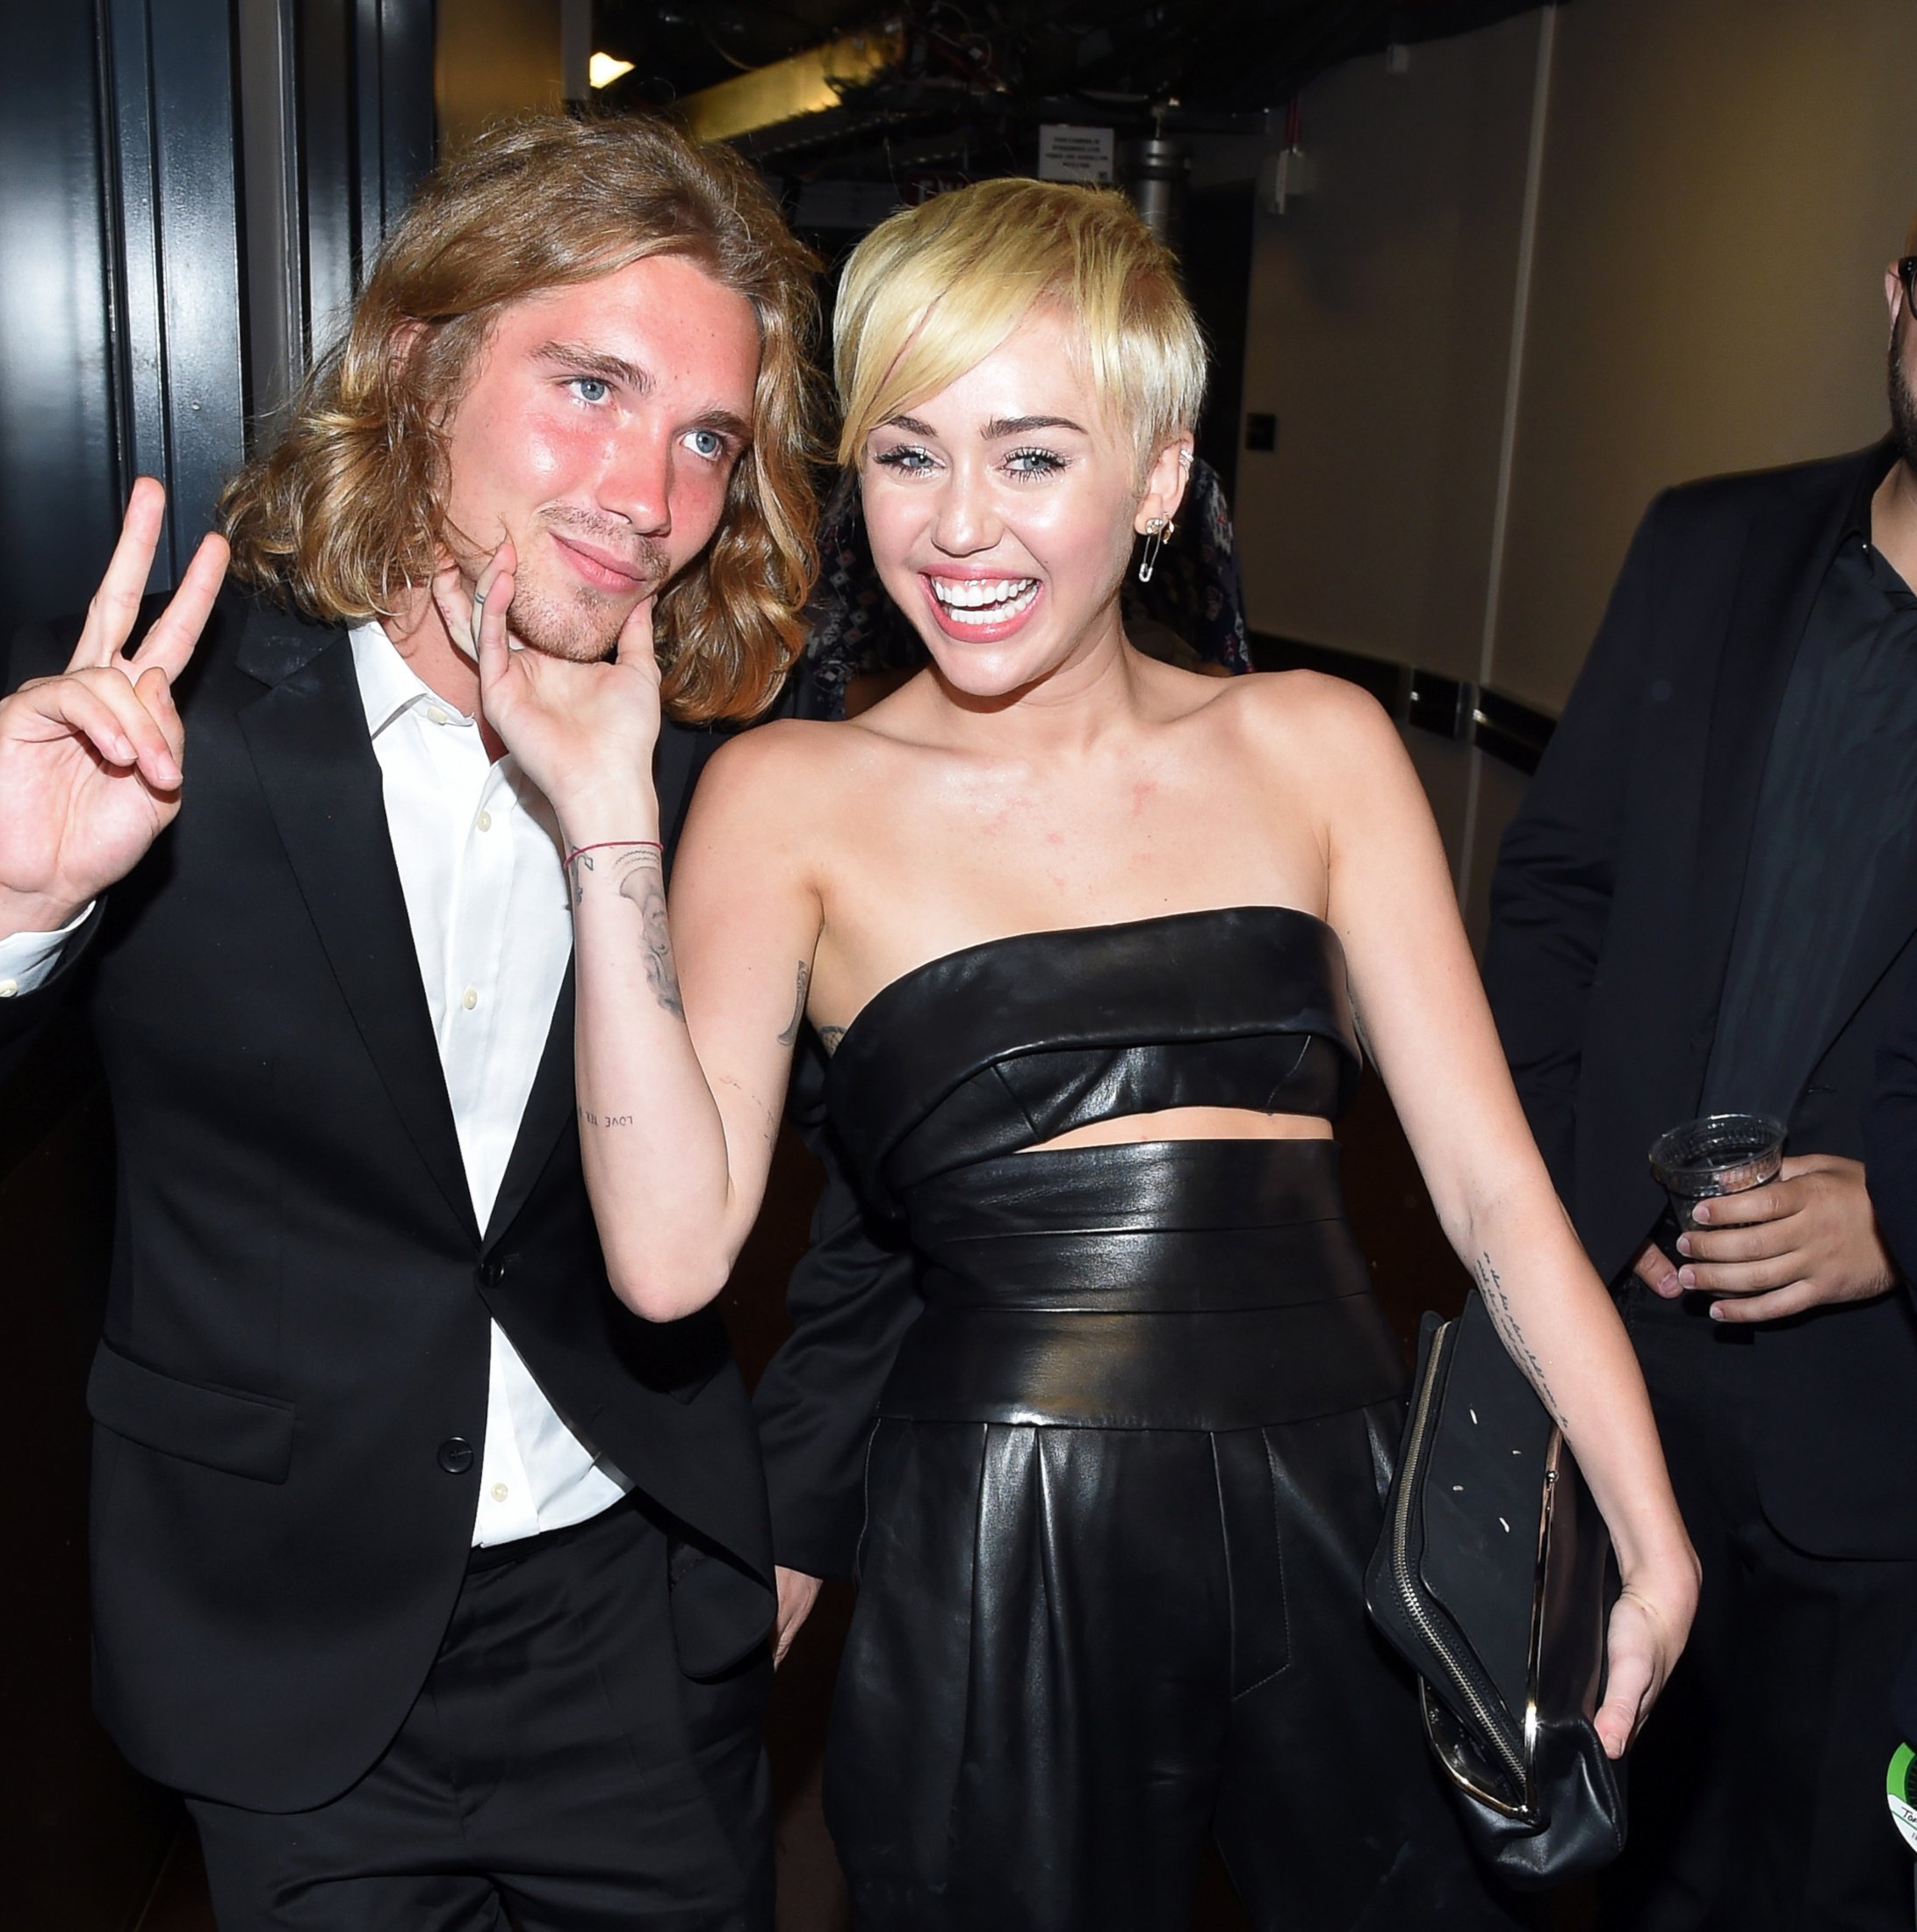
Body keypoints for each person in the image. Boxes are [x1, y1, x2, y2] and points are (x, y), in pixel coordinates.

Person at [459, 177, 1699, 1931]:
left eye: (1032, 456)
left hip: (1352, 1531)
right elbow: (669, 1257)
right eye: (905, 455)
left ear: (1163, 477)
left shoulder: (1317, 747)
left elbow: (1496, 1194)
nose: (959, 527)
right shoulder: (786, 798)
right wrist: (605, 818)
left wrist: (1646, 1518)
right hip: (1001, 1555)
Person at [0, 115, 837, 1932]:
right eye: (586, 385)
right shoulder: (178, 731)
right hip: (289, 1657)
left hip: (637, 1638)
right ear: (415, 365)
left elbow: (884, 1203)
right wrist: (4, 907)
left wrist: (793, 1528)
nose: (649, 487)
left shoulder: (731, 768)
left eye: (707, 433)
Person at [1486, 216, 1917, 1932]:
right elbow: (1556, 892)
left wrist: (1902, 1215)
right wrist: (1590, 1201)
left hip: (1882, 1435)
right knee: (1587, 1842)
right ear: (1900, 295)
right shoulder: (1711, 545)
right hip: (1626, 1364)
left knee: (1827, 1891)